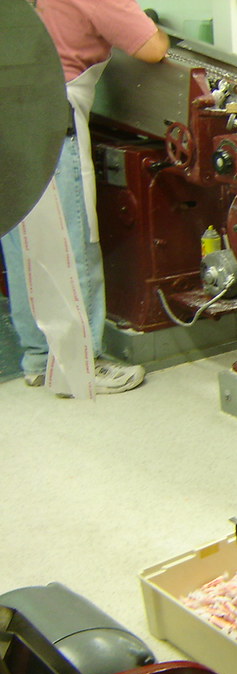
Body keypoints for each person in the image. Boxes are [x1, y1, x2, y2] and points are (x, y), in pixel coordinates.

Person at [0, 0, 168, 395]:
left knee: (24, 244)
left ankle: (41, 360)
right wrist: (149, 25)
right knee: (70, 238)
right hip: (46, 113)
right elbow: (153, 48)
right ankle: (79, 366)